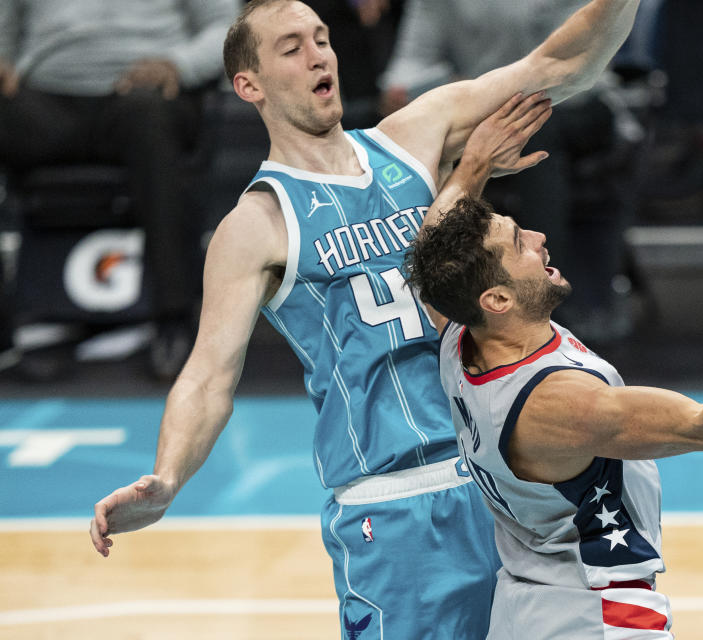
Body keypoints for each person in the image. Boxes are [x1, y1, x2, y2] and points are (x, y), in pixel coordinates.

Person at [89, 1, 643, 638]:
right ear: (250, 85)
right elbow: (209, 375)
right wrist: (169, 477)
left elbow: (560, 62)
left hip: (499, 478)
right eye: (291, 47)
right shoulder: (258, 224)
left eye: (322, 38)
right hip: (394, 505)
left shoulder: (414, 136)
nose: (319, 53)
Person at [405, 121, 703, 636]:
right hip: (598, 615)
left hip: (523, 607)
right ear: (499, 300)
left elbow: (431, 252)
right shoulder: (560, 405)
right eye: (519, 243)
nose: (541, 239)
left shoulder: (459, 333)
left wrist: (475, 166)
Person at [0, 0, 238, 379]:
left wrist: (179, 64)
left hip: (146, 91)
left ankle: (173, 319)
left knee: (149, 113)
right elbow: (2, 20)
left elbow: (230, 29)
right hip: (45, 94)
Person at [379, 0, 632, 340]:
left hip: (562, 105)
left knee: (533, 125)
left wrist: (478, 153)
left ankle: (549, 300)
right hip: (481, 104)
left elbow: (564, 64)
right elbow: (408, 67)